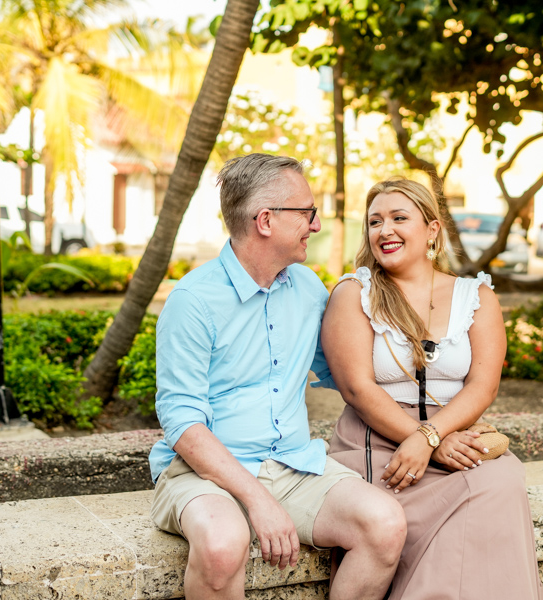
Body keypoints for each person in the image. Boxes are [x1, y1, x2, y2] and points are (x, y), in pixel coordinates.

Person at [149, 154, 406, 600]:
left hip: (294, 465)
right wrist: (257, 498)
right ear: (265, 220)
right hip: (204, 473)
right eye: (307, 212)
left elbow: (351, 377)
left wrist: (437, 423)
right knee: (223, 545)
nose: (317, 224)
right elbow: (182, 423)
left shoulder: (308, 288)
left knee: (384, 525)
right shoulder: (192, 300)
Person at [319, 178, 543, 600]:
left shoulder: (475, 296)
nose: (385, 230)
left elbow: (483, 384)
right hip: (378, 441)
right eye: (375, 221)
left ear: (432, 229)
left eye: (399, 218)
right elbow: (357, 389)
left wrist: (434, 436)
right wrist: (422, 441)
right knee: (419, 510)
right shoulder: (355, 294)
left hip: (454, 434)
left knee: (500, 482)